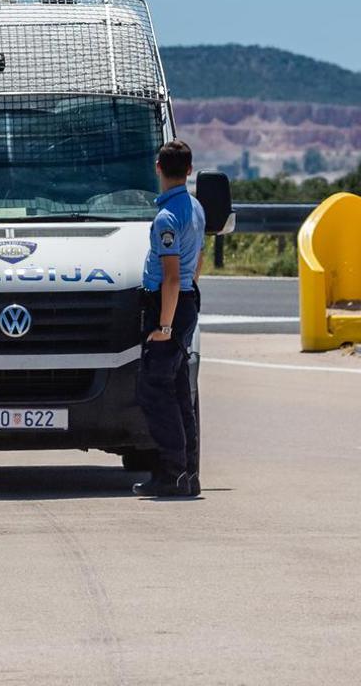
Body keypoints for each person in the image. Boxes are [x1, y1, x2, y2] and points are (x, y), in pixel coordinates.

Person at [133, 139, 206, 498]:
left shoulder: (166, 217)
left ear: (158, 168)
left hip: (168, 306)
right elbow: (197, 265)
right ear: (189, 170)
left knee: (154, 391)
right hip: (186, 301)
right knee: (178, 393)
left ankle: (172, 471)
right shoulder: (195, 208)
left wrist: (164, 325)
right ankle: (187, 474)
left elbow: (172, 277)